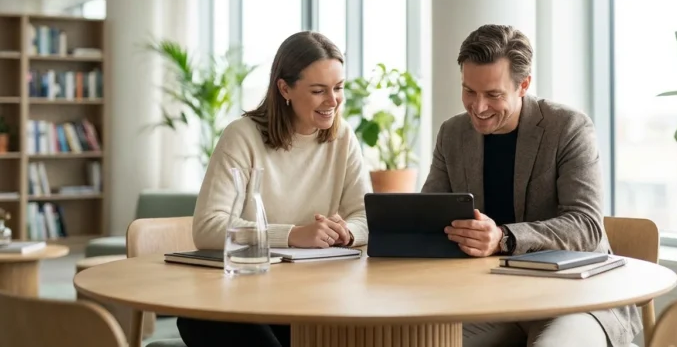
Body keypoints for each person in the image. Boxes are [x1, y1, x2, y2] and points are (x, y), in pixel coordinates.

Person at [421, 24, 641, 347]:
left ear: (523, 85)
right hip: (488, 300)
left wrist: (503, 238)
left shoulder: (568, 128)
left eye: (493, 95)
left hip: (574, 299)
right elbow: (429, 216)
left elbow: (586, 226)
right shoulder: (452, 134)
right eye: (469, 91)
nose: (478, 107)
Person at [177, 31, 371, 347]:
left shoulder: (343, 138)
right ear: (284, 88)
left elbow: (365, 215)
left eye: (338, 89)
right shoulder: (242, 136)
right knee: (204, 319)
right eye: (319, 90)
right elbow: (207, 227)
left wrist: (347, 232)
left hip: (318, 296)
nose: (332, 101)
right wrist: (293, 234)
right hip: (246, 298)